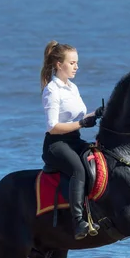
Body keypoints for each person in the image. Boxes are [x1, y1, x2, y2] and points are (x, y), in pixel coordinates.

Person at [40, 41, 104, 240]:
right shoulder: (52, 90)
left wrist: (98, 114)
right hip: (56, 145)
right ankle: (78, 221)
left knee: (100, 156)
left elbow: (78, 119)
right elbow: (53, 126)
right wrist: (82, 124)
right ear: (59, 64)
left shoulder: (72, 87)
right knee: (78, 169)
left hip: (74, 140)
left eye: (77, 63)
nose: (77, 67)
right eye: (72, 63)